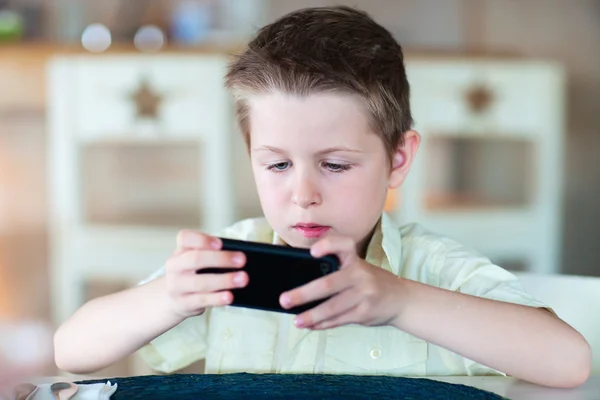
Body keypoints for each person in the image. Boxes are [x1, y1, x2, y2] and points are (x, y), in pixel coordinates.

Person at [53, 6, 591, 388]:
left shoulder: (431, 270)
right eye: (277, 163)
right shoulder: (233, 263)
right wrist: (168, 298)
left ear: (398, 159)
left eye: (334, 165)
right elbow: (71, 353)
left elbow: (568, 364)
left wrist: (401, 300)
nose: (303, 194)